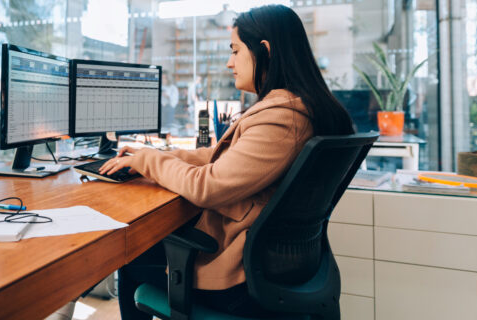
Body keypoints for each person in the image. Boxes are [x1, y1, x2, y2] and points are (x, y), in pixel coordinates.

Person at [98, 4, 354, 319]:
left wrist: (150, 160)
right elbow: (219, 158)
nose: (229, 62)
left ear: (265, 51)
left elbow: (208, 187)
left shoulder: (283, 119)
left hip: (240, 280)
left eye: (235, 51)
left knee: (129, 258)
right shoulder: (300, 109)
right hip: (275, 268)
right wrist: (155, 157)